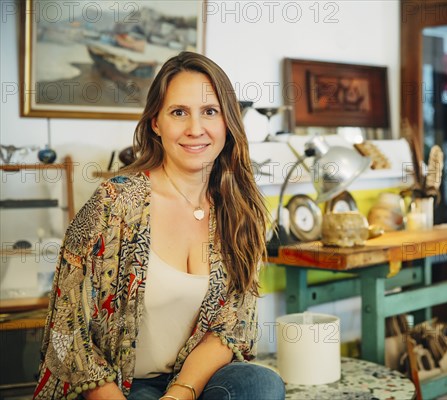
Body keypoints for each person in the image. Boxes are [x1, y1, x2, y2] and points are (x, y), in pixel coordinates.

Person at [33, 52, 286, 400]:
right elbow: (67, 328)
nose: (195, 128)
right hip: (118, 386)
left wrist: (179, 393)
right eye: (179, 112)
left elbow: (232, 326)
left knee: (261, 384)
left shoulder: (239, 209)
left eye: (209, 112)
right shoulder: (114, 202)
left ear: (228, 121)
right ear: (156, 123)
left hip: (192, 380)